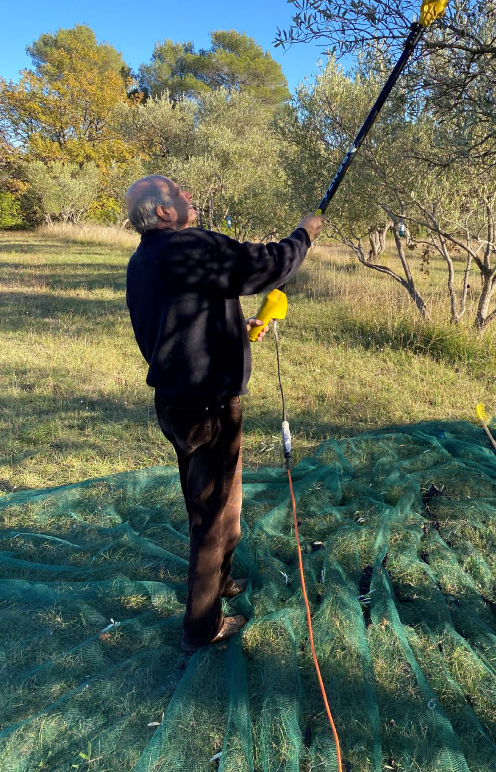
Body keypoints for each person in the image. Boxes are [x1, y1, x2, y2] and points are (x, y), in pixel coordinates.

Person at [125, 175, 323, 652]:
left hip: (178, 403)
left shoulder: (147, 260)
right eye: (180, 192)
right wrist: (305, 236)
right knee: (211, 517)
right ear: (165, 212)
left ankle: (221, 582)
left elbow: (181, 318)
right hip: (208, 407)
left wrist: (238, 326)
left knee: (221, 504)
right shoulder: (189, 246)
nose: (189, 194)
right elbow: (265, 267)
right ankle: (202, 627)